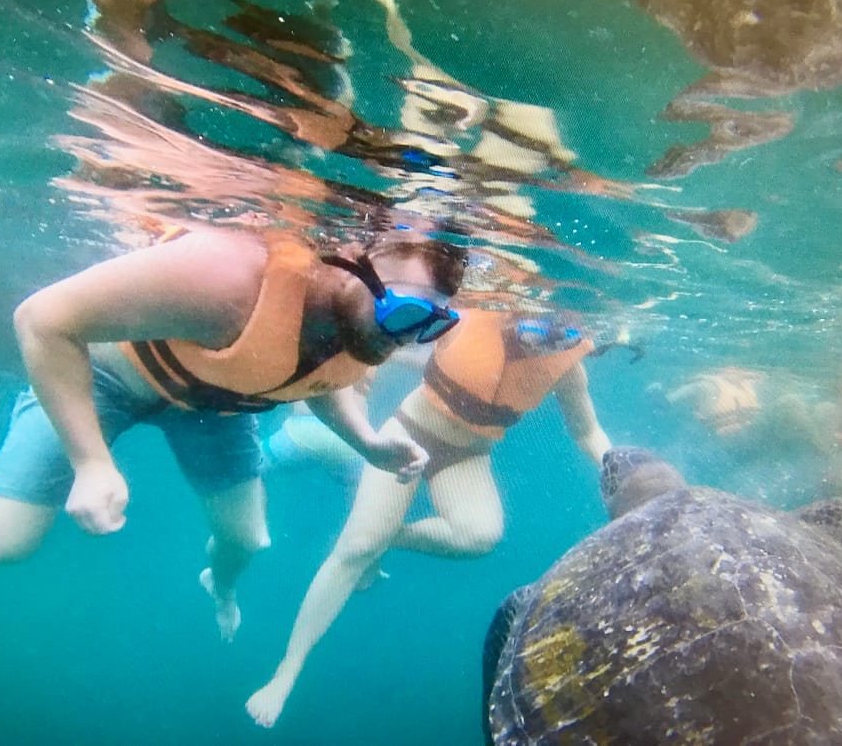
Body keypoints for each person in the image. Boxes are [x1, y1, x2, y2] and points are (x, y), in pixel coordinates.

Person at [0, 225, 467, 641]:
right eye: (405, 314)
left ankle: (220, 587)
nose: (406, 339)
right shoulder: (229, 274)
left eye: (432, 326)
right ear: (355, 263)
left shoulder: (359, 322)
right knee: (1, 543)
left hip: (215, 407)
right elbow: (41, 319)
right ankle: (49, 405)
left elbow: (314, 376)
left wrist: (367, 442)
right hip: (110, 380)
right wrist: (90, 462)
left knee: (247, 540)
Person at [246, 307, 612, 727]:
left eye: (557, 338)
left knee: (479, 535)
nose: (538, 344)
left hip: (468, 455)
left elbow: (586, 431)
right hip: (409, 433)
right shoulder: (471, 315)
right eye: (531, 330)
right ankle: (286, 672)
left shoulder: (566, 367)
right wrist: (356, 393)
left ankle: (388, 536)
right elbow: (387, 334)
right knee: (355, 550)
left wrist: (619, 465)